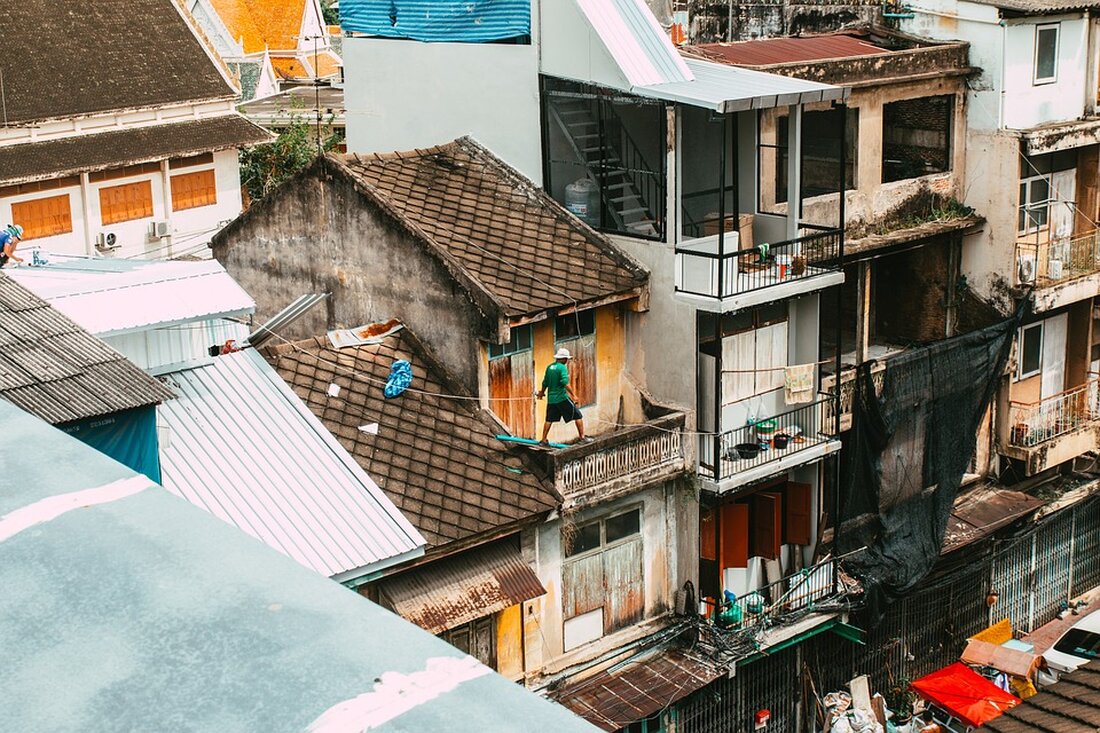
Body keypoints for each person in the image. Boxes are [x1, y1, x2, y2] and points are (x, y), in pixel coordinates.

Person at [537, 347, 589, 445]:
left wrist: (541, 392)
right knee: (578, 416)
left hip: (551, 399)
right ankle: (582, 437)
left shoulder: (549, 367)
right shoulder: (562, 368)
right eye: (566, 359)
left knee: (549, 420)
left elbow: (545, 382)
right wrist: (574, 395)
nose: (566, 361)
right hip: (562, 398)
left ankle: (543, 440)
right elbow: (565, 382)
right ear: (563, 358)